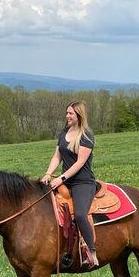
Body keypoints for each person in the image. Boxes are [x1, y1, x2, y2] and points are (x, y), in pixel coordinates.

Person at [42, 100, 98, 268]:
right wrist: (48, 174)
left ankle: (92, 252)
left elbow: (80, 163)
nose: (67, 116)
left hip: (83, 182)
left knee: (80, 214)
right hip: (66, 180)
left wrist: (61, 178)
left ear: (79, 115)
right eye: (67, 113)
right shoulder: (64, 132)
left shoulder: (86, 135)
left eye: (71, 113)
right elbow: (57, 156)